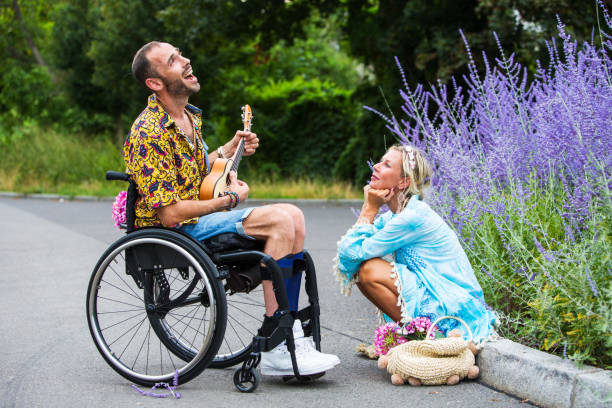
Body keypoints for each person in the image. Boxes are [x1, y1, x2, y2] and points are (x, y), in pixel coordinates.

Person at [124, 41, 339, 376]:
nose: (186, 59)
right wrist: (229, 200)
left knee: (294, 216)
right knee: (282, 220)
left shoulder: (188, 118)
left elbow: (194, 171)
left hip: (197, 218)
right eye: (173, 60)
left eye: (181, 53)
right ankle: (278, 341)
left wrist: (228, 149)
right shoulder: (148, 133)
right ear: (155, 83)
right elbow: (169, 213)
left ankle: (288, 329)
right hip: (177, 230)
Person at [334, 144, 497, 343]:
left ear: (403, 182)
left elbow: (351, 254)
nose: (376, 166)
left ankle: (428, 339)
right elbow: (350, 255)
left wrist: (368, 210)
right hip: (440, 297)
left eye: (386, 165)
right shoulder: (395, 217)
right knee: (363, 269)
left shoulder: (411, 217)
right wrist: (369, 211)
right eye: (380, 161)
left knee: (370, 270)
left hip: (453, 305)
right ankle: (417, 337)